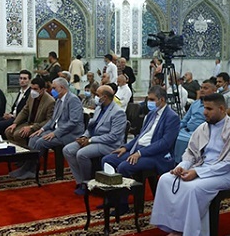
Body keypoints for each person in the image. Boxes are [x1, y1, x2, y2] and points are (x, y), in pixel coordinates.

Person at [150, 93, 230, 236]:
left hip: (226, 173)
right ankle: (172, 226)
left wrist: (196, 173)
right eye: (204, 108)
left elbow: (228, 163)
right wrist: (181, 167)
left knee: (192, 188)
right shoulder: (203, 127)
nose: (204, 112)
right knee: (166, 179)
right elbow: (191, 152)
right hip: (201, 166)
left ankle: (186, 232)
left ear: (222, 109)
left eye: (209, 109)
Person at [102, 85, 180, 213]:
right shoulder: (151, 114)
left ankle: (123, 204)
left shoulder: (172, 117)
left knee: (124, 166)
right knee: (107, 160)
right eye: (148, 99)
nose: (149, 102)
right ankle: (112, 198)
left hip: (156, 156)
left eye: (152, 99)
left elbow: (165, 143)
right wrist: (126, 147)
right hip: (138, 150)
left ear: (162, 99)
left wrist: (140, 153)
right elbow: (140, 136)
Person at [64, 85, 127, 195]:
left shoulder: (118, 112)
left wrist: (90, 140)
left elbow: (113, 137)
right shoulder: (99, 108)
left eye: (97, 95)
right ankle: (80, 181)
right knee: (68, 150)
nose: (95, 97)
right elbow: (91, 127)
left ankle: (87, 183)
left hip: (108, 144)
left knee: (81, 154)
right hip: (93, 139)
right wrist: (84, 136)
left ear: (105, 97)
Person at [16, 78, 84, 179]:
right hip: (56, 129)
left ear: (62, 88)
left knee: (41, 142)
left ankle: (31, 169)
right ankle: (27, 167)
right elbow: (53, 119)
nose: (52, 90)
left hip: (70, 133)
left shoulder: (73, 100)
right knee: (34, 137)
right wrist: (42, 129)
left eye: (54, 88)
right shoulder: (59, 100)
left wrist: (55, 133)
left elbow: (73, 122)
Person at [173, 80, 217, 162]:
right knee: (171, 136)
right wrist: (176, 129)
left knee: (185, 141)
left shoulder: (214, 106)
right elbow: (185, 120)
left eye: (205, 88)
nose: (202, 90)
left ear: (214, 90)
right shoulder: (195, 103)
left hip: (200, 133)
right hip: (186, 130)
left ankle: (182, 163)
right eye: (201, 88)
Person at [5, 77, 55, 148]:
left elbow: (49, 120)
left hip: (38, 126)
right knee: (8, 131)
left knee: (18, 134)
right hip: (29, 122)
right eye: (31, 88)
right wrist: (15, 123)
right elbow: (25, 110)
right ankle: (15, 151)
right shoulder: (31, 96)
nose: (33, 91)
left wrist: (32, 127)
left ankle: (25, 152)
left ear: (42, 89)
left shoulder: (50, 101)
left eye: (35, 89)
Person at [0, 70, 31, 139]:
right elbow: (15, 107)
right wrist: (9, 114)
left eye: (24, 79)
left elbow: (25, 110)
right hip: (12, 115)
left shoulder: (30, 93)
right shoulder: (21, 91)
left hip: (19, 118)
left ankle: (3, 141)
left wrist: (12, 115)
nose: (22, 81)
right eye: (20, 78)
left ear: (29, 80)